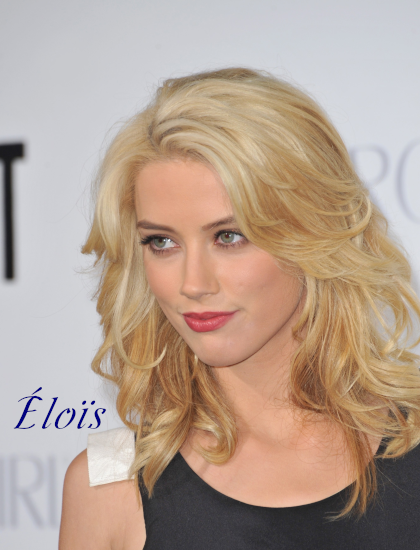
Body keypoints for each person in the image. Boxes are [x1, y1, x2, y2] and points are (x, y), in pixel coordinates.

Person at [59, 68, 420, 549]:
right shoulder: (107, 482)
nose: (193, 284)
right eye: (161, 242)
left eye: (228, 236)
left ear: (313, 234)